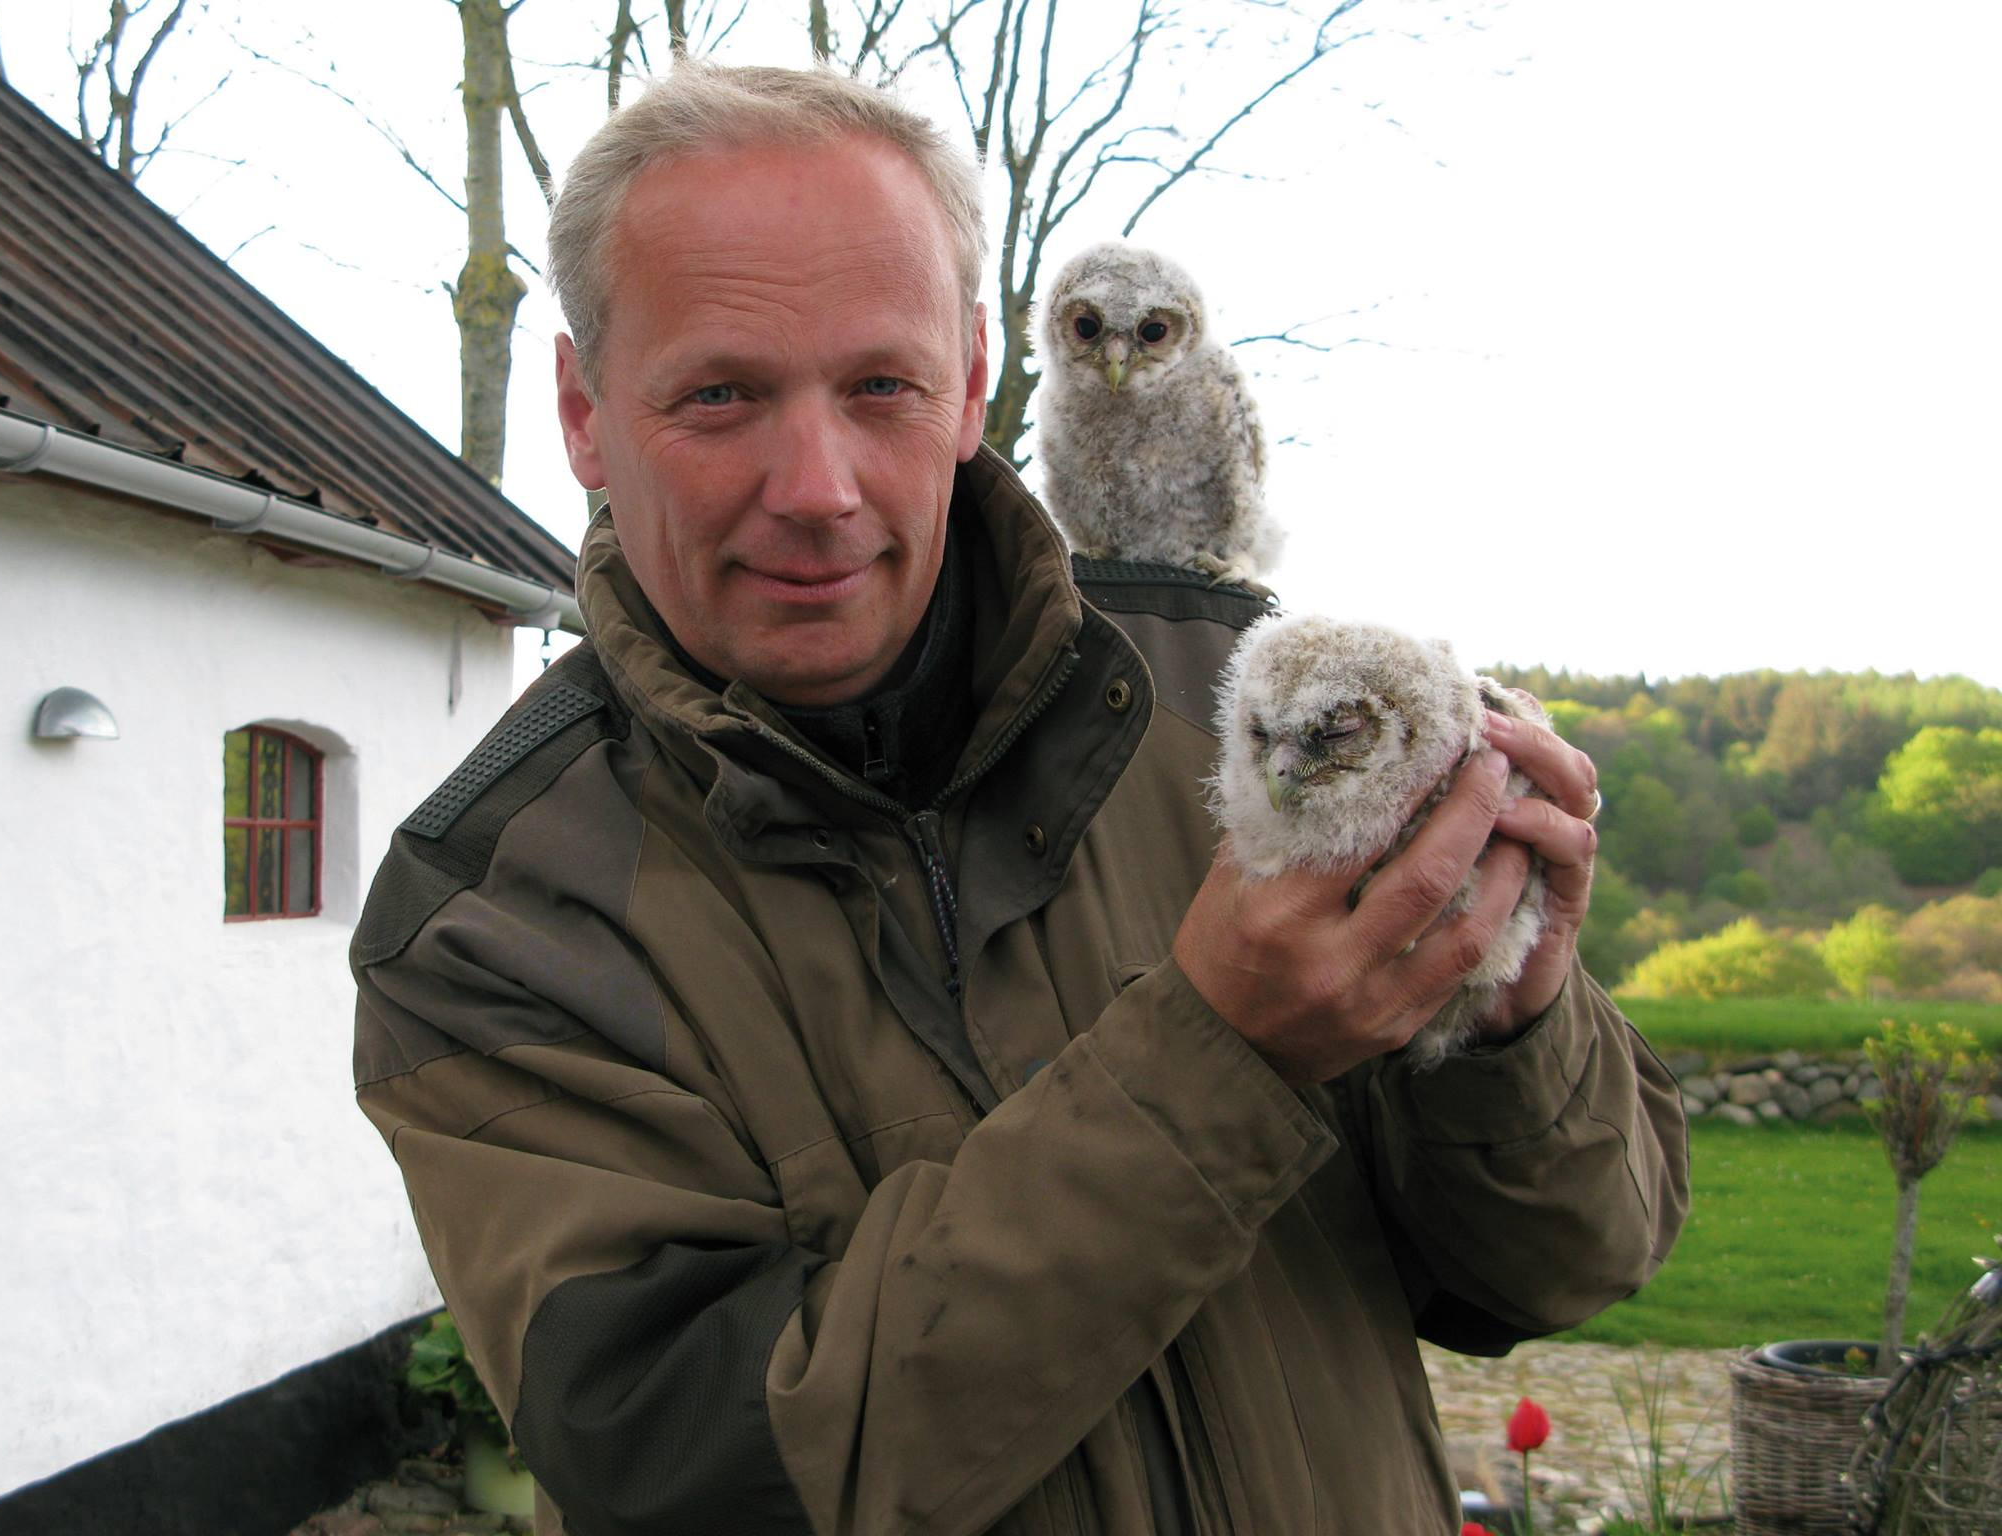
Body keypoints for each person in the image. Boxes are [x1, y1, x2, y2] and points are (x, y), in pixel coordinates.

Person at [351, 61, 1688, 1536]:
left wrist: (1497, 1011)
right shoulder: (493, 921)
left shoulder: (1236, 706)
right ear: (584, 410)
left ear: (979, 382)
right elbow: (703, 1476)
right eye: (721, 393)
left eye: (882, 387)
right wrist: (1222, 1052)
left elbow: (1567, 1260)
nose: (819, 484)